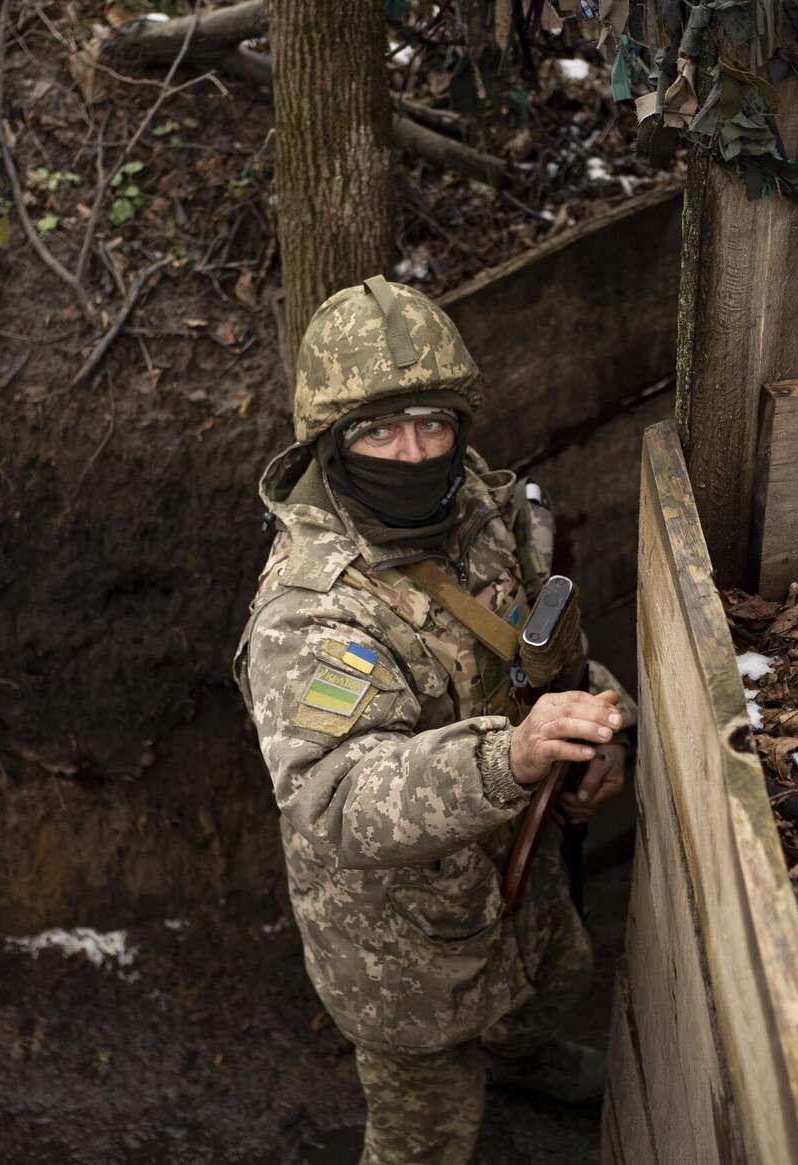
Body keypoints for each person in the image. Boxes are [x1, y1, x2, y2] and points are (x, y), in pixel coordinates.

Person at [233, 276, 634, 1165]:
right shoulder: (315, 609)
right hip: (402, 947)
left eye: (432, 423)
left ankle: (521, 1057)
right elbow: (337, 796)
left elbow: (534, 653)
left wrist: (599, 719)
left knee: (551, 981)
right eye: (378, 428)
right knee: (427, 1127)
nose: (411, 452)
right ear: (332, 441)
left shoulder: (482, 510)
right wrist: (514, 757)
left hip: (517, 879)